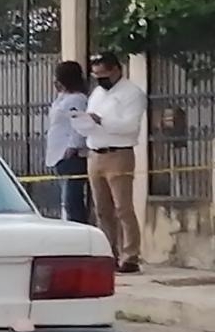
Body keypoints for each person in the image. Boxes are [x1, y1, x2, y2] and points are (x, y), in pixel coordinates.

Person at [84, 52, 146, 273]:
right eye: (96, 75)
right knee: (102, 209)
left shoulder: (132, 94)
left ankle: (130, 256)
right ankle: (108, 252)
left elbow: (130, 126)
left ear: (116, 70)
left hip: (118, 154)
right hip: (95, 153)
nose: (100, 79)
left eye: (104, 74)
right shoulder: (97, 94)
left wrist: (102, 121)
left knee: (123, 208)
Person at [45, 61, 91, 224]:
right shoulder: (62, 98)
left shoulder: (78, 99)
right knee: (65, 201)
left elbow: (79, 125)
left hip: (71, 154)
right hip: (58, 154)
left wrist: (72, 146)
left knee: (72, 200)